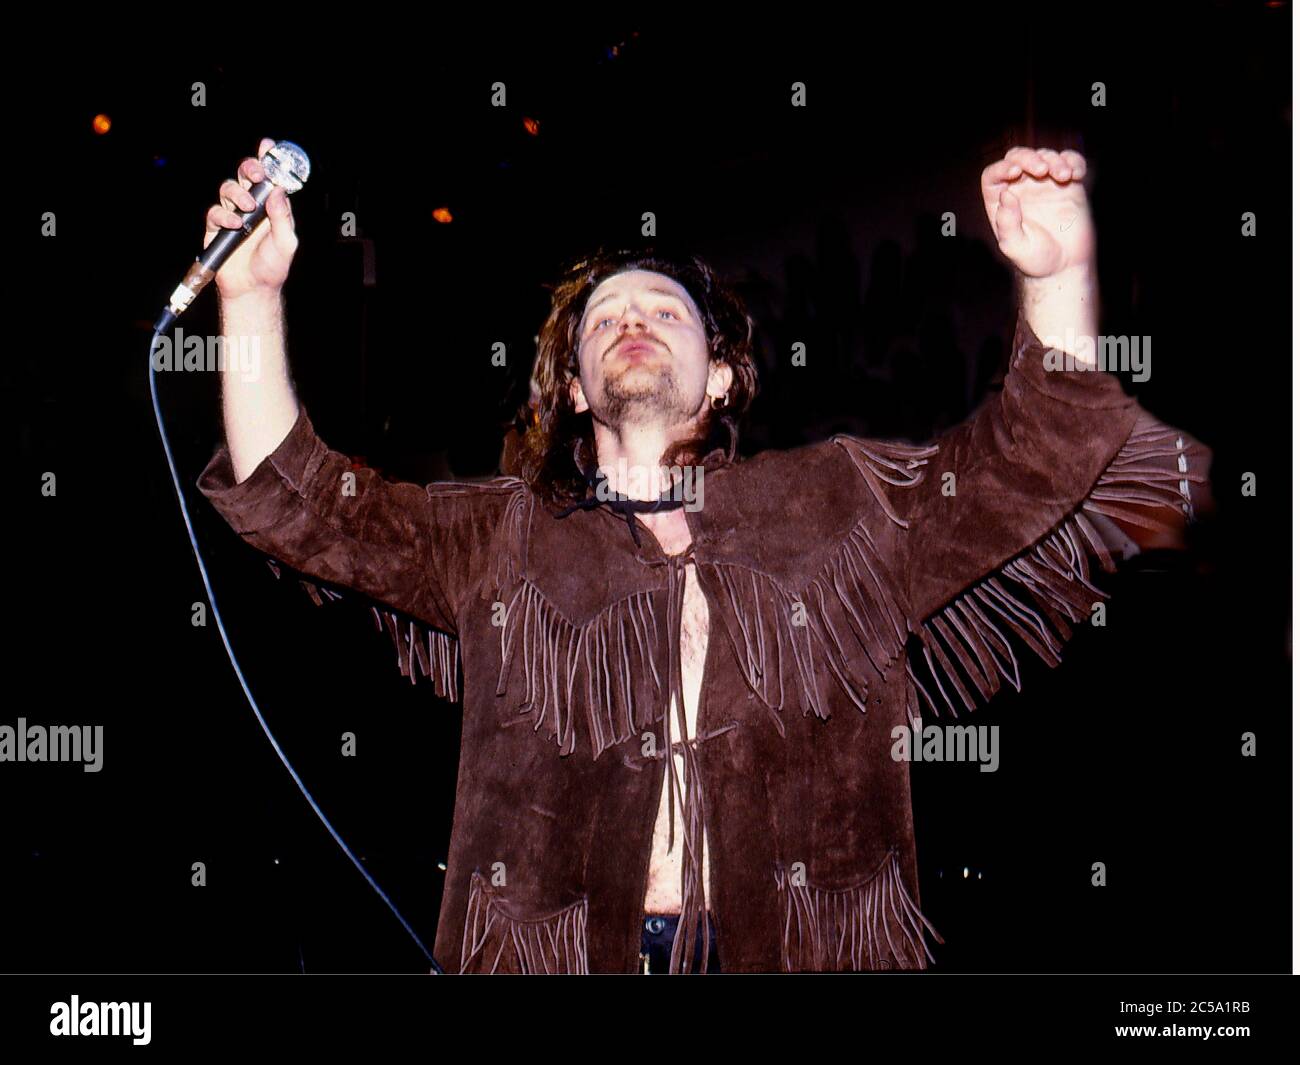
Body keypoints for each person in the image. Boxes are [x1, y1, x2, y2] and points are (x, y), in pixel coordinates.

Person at [196, 139, 1210, 974]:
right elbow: (295, 500)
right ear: (579, 391)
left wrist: (1059, 274)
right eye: (607, 321)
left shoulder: (838, 498)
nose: (633, 322)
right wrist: (247, 299)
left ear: (721, 377)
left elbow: (1034, 460)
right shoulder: (496, 534)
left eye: (664, 312)